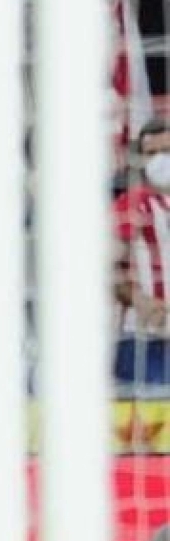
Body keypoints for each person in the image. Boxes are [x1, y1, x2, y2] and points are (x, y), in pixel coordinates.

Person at [114, 119, 170, 385]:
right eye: (152, 153)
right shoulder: (132, 204)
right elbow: (105, 268)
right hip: (145, 342)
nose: (160, 160)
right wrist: (140, 301)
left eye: (167, 151)